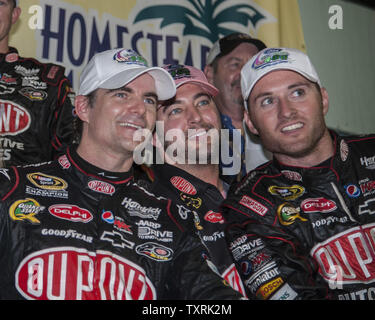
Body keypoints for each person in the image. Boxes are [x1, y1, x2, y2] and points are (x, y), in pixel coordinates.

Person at [0, 48, 243, 300]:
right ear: (83, 107)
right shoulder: (10, 188)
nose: (139, 109)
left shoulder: (170, 217)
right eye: (121, 95)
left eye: (149, 100)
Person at [221, 47, 375, 300]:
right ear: (250, 122)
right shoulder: (250, 205)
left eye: (297, 92)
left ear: (323, 99)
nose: (286, 111)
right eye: (268, 101)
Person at [136, 64, 246, 296]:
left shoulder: (251, 194)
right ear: (154, 137)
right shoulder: (148, 210)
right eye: (176, 110)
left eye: (203, 102)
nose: (196, 117)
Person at [0, 0, 75, 167]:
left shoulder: (49, 80)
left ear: (14, 15)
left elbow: (71, 156)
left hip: (25, 190)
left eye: (1, 3)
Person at [204, 32, 272, 183]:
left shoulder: (279, 126)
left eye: (253, 65)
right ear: (209, 74)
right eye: (235, 64)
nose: (245, 73)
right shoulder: (196, 134)